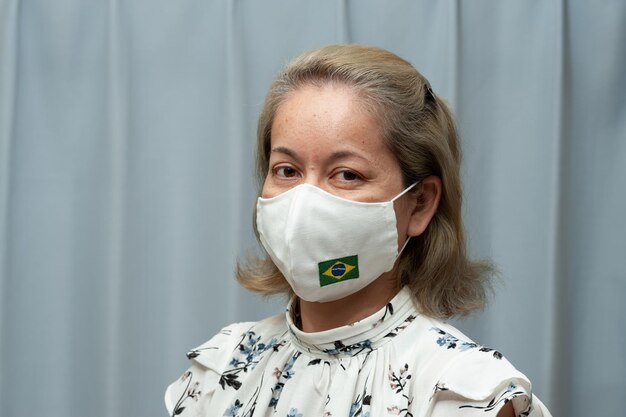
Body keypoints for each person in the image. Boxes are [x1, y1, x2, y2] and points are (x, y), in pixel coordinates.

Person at [164, 44, 552, 417]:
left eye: (346, 174)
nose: (304, 204)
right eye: (287, 170)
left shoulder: (462, 395)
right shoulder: (221, 370)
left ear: (419, 203)